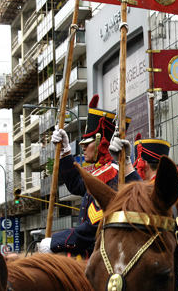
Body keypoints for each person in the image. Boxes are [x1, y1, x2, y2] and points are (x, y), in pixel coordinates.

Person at [39, 94, 141, 256]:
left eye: (88, 143)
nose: (84, 148)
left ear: (102, 143)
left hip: (104, 255)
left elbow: (95, 225)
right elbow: (76, 185)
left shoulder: (113, 175)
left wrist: (56, 241)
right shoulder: (100, 171)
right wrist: (65, 153)